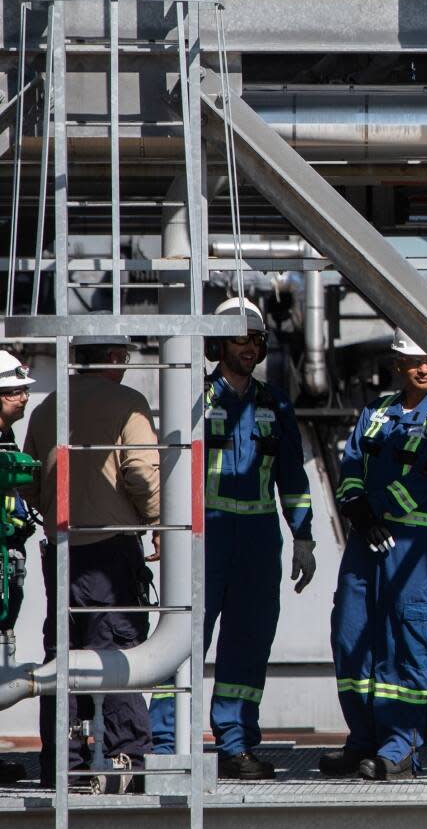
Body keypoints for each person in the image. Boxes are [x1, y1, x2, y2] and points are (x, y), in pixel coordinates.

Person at [149, 297, 316, 781]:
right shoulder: (194, 396)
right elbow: (167, 469)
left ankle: (235, 746)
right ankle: (167, 744)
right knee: (181, 640)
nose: (251, 347)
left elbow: (293, 477)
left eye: (258, 339)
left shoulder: (274, 402)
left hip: (260, 544)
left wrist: (303, 538)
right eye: (241, 338)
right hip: (206, 539)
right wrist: (164, 527)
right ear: (218, 342)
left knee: (248, 644)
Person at [320, 328, 427, 781]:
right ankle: (362, 741)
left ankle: (399, 749)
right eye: (414, 360)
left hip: (413, 550)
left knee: (405, 643)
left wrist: (378, 510)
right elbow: (351, 465)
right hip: (366, 544)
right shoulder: (376, 412)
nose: (423, 368)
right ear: (398, 364)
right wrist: (359, 511)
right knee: (351, 637)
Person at [23, 336, 159, 789]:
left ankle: (64, 763)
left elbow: (29, 480)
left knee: (63, 653)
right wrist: (157, 521)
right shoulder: (129, 403)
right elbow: (141, 471)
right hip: (111, 552)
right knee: (116, 654)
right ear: (116, 357)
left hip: (62, 549)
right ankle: (127, 759)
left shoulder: (48, 408)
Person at [0, 350, 36, 785]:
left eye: (25, 390)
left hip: (9, 557)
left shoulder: (8, 436)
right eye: (13, 391)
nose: (24, 397)